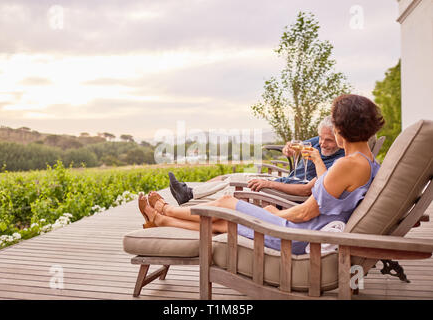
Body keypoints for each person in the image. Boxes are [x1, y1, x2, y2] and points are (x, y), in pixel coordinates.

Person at [138, 94, 385, 254]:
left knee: (226, 203)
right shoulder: (369, 161)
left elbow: (305, 211)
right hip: (305, 231)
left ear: (341, 128)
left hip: (295, 236)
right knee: (224, 223)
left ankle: (167, 210)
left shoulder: (347, 164)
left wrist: (273, 213)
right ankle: (162, 219)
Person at [168, 116, 345, 205]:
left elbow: (306, 190)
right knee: (227, 177)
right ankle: (189, 192)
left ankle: (189, 195)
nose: (322, 143)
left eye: (328, 140)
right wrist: (288, 149)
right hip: (283, 181)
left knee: (232, 182)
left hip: (286, 193)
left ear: (340, 137)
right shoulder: (319, 141)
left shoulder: (339, 161)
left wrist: (269, 184)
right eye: (320, 138)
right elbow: (293, 147)